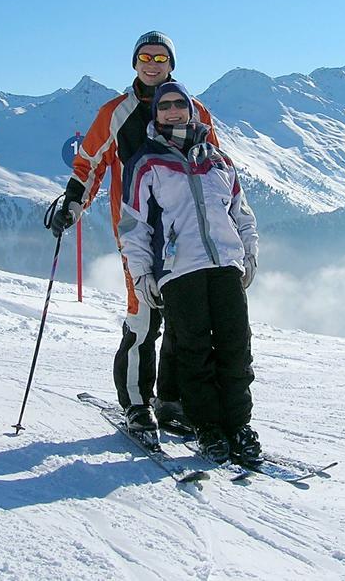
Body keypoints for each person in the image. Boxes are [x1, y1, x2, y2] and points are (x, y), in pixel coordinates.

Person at [50, 31, 221, 435]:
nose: (152, 63)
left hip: (187, 232)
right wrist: (73, 204)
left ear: (171, 64)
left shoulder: (193, 110)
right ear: (134, 63)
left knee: (183, 317)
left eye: (160, 57)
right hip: (139, 231)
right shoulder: (117, 112)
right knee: (143, 316)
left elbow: (215, 164)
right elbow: (89, 163)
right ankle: (137, 403)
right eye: (145, 56)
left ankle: (172, 400)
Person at [118, 81, 262, 464]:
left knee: (236, 347)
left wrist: (248, 254)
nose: (172, 111)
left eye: (178, 104)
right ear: (156, 115)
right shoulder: (145, 163)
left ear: (190, 110)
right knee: (194, 351)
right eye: (164, 106)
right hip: (179, 271)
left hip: (225, 267)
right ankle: (208, 427)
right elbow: (133, 226)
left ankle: (239, 424)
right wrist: (142, 273)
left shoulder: (218, 160)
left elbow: (241, 214)